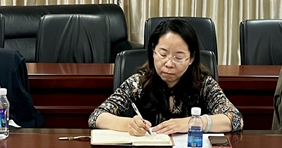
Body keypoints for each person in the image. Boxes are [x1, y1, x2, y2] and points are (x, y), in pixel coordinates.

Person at [89, 18, 243, 135]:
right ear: (153, 52)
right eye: (163, 54)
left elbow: (235, 119)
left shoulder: (204, 84)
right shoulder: (139, 82)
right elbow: (97, 116)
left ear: (191, 58)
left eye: (178, 57)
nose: (169, 64)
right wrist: (129, 125)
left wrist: (193, 123)